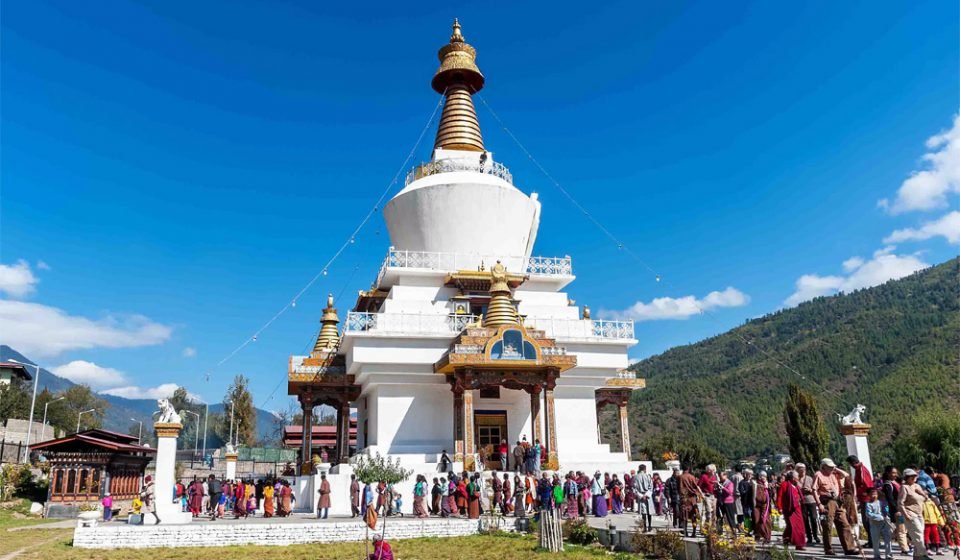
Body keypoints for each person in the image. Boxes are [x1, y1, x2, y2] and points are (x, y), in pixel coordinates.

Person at [814, 458, 858, 556]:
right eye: (829, 467)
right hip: (826, 501)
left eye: (832, 467)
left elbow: (846, 475)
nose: (831, 468)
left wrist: (836, 469)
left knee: (844, 524)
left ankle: (849, 548)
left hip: (837, 501)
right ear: (823, 466)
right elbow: (814, 490)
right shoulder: (818, 475)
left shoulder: (834, 475)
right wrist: (819, 504)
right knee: (827, 526)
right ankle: (828, 549)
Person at [899, 468, 931, 560]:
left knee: (920, 534)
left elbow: (925, 499)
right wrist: (906, 515)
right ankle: (923, 555)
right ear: (906, 477)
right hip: (910, 513)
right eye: (911, 476)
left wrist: (924, 494)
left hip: (919, 513)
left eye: (914, 475)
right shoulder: (904, 487)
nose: (913, 477)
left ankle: (917, 556)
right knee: (918, 534)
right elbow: (900, 503)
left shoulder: (917, 486)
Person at [882, 466, 910, 553]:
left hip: (903, 509)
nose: (895, 474)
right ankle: (904, 549)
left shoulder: (896, 482)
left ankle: (903, 543)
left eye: (896, 473)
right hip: (898, 510)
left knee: (903, 529)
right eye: (893, 473)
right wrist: (896, 510)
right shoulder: (887, 485)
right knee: (901, 529)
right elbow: (890, 499)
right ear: (888, 473)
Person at [781, 470, 806, 550]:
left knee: (799, 526)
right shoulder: (785, 485)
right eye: (797, 477)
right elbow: (780, 496)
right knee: (792, 526)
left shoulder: (796, 486)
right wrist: (780, 507)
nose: (798, 478)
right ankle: (788, 539)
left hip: (797, 508)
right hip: (789, 509)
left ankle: (798, 544)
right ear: (793, 478)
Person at [865, 488, 893, 560]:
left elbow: (886, 510)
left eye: (875, 494)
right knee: (875, 540)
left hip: (884, 523)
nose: (874, 496)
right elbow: (868, 514)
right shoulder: (868, 504)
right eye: (872, 494)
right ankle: (876, 555)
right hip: (874, 524)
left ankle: (889, 555)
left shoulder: (881, 502)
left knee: (888, 539)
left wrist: (886, 514)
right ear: (869, 496)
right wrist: (879, 516)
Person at [797, 463, 821, 546]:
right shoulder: (796, 480)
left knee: (814, 518)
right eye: (800, 470)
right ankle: (809, 537)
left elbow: (815, 490)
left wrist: (809, 490)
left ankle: (815, 535)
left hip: (811, 500)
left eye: (803, 469)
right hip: (802, 502)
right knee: (805, 520)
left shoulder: (809, 479)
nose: (802, 471)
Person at [679, 465, 702, 537]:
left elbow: (678, 488)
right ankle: (694, 532)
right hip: (692, 499)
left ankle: (685, 532)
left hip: (684, 498)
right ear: (688, 468)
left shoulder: (680, 477)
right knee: (693, 515)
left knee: (684, 516)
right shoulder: (692, 477)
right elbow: (696, 486)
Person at [922, 491, 946, 555]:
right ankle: (927, 549)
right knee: (926, 536)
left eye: (926, 494)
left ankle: (938, 549)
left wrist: (941, 521)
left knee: (936, 535)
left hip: (933, 522)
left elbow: (937, 512)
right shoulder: (921, 503)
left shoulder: (931, 503)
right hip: (925, 522)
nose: (925, 496)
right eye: (923, 494)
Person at [752, 471, 773, 543]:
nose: (763, 478)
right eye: (762, 476)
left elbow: (771, 495)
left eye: (765, 476)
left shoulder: (767, 485)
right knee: (757, 521)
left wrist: (769, 488)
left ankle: (767, 537)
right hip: (757, 505)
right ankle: (758, 535)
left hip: (766, 506)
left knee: (766, 521)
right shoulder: (756, 484)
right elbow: (757, 496)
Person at [718, 470, 738, 536]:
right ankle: (720, 532)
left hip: (729, 502)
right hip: (722, 502)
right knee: (720, 517)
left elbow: (730, 492)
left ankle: (734, 532)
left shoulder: (730, 483)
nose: (720, 478)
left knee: (730, 518)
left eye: (721, 476)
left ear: (725, 475)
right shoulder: (720, 482)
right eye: (719, 476)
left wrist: (722, 487)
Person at [698, 464, 718, 530]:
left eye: (714, 470)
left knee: (714, 513)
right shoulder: (704, 476)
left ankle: (713, 528)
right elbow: (698, 486)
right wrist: (702, 494)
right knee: (708, 512)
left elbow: (717, 485)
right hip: (707, 496)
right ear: (708, 470)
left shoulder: (715, 477)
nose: (713, 471)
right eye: (712, 470)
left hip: (714, 496)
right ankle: (706, 527)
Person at [635, 465, 654, 532]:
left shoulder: (636, 477)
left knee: (644, 512)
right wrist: (647, 495)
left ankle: (644, 527)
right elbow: (651, 487)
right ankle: (649, 526)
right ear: (645, 469)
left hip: (641, 496)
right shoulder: (648, 476)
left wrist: (641, 496)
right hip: (648, 496)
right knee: (649, 512)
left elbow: (635, 489)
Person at [739, 469, 755, 534]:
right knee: (747, 516)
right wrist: (749, 490)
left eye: (751, 474)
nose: (749, 476)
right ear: (745, 475)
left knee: (753, 516)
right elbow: (742, 492)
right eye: (748, 474)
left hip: (753, 503)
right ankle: (747, 531)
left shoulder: (753, 482)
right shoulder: (742, 483)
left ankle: (752, 530)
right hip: (746, 502)